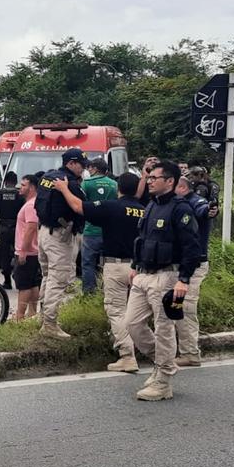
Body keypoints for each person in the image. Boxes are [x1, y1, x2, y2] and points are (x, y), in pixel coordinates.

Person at [123, 161, 200, 401]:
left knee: (164, 328)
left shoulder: (181, 209)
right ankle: (162, 363)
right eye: (149, 176)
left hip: (168, 276)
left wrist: (184, 279)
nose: (150, 180)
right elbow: (142, 239)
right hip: (144, 274)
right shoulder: (150, 206)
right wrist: (136, 266)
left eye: (155, 177)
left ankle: (163, 381)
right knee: (132, 324)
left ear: (170, 181)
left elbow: (192, 247)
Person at [57, 173, 146, 372]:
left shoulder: (112, 206)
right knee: (136, 313)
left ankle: (127, 355)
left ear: (118, 189)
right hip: (139, 268)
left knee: (116, 311)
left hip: (116, 266)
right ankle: (147, 351)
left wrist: (63, 189)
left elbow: (79, 207)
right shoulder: (143, 210)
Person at [36, 149, 88, 340]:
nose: (83, 168)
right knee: (58, 280)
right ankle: (49, 323)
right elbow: (82, 207)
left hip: (43, 233)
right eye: (82, 164)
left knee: (48, 277)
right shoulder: (69, 183)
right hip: (60, 236)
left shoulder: (47, 177)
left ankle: (42, 317)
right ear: (72, 163)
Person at [173, 176, 212, 368]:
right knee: (174, 305)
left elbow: (204, 211)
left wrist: (210, 210)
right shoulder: (175, 203)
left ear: (181, 187)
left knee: (186, 307)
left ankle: (190, 353)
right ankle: (178, 349)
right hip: (178, 263)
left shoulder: (196, 201)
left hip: (195, 263)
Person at [78, 158, 117, 293]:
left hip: (91, 229)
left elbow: (80, 205)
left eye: (89, 168)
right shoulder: (114, 184)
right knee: (109, 263)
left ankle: (89, 294)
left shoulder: (86, 184)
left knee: (88, 263)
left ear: (94, 168)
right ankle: (108, 290)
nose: (88, 170)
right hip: (110, 230)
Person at [0, 171, 23, 290]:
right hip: (17, 228)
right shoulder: (20, 195)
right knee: (18, 253)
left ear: (6, 181)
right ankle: (18, 278)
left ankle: (7, 281)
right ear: (15, 181)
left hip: (3, 228)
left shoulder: (0, 194)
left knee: (4, 255)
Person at [12, 174, 42, 320]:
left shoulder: (31, 205)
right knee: (33, 282)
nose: (20, 187)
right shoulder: (32, 203)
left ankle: (20, 315)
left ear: (32, 187)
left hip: (28, 251)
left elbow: (30, 228)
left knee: (24, 284)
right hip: (33, 251)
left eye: (23, 185)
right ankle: (32, 312)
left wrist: (23, 251)